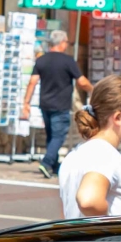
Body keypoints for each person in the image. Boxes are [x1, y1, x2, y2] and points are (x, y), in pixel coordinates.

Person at [58, 75, 121, 217]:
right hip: (106, 239)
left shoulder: (76, 154)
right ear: (118, 117)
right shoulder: (103, 152)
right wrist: (112, 227)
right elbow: (88, 200)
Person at [22, 29, 86, 175]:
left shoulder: (41, 60)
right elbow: (81, 81)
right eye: (67, 42)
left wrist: (26, 103)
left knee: (51, 135)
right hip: (61, 105)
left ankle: (54, 166)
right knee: (58, 135)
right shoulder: (68, 61)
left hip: (45, 104)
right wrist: (93, 89)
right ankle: (47, 162)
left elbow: (32, 82)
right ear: (62, 43)